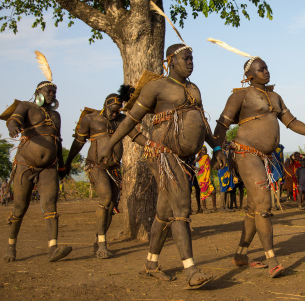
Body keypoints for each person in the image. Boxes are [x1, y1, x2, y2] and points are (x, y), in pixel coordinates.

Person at [99, 41, 225, 288]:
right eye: (186, 58)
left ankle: (150, 264)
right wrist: (108, 144)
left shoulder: (194, 89)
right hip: (162, 153)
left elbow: (203, 123)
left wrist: (217, 146)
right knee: (181, 207)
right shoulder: (156, 87)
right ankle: (191, 271)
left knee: (164, 213)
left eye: (192, 58)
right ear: (170, 62)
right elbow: (130, 120)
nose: (190, 62)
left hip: (186, 159)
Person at [209, 38, 305, 278]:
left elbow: (292, 122)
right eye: (261, 69)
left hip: (266, 157)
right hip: (244, 153)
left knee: (254, 207)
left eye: (267, 67)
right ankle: (272, 260)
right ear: (249, 75)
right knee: (264, 204)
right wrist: (217, 151)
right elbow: (222, 125)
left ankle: (240, 254)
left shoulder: (275, 96)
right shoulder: (240, 96)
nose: (266, 71)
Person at [3, 51, 72, 263]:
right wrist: (13, 126)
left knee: (51, 206)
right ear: (38, 93)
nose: (52, 94)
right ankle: (11, 247)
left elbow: (58, 143)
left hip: (49, 167)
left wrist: (61, 167)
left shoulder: (56, 116)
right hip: (25, 166)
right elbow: (12, 120)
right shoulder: (27, 105)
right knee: (19, 208)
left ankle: (53, 249)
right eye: (48, 91)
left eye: (54, 91)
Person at [64, 89, 147, 258]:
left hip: (115, 169)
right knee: (106, 198)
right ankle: (102, 244)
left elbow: (136, 136)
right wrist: (66, 163)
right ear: (105, 106)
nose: (116, 114)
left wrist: (152, 145)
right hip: (96, 165)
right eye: (113, 111)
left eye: (118, 111)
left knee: (111, 207)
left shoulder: (123, 120)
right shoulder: (90, 119)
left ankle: (98, 239)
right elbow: (78, 143)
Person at [194, 146, 217, 213]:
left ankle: (214, 207)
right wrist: (197, 168)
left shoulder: (208, 156)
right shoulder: (199, 157)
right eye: (203, 150)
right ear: (201, 151)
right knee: (203, 192)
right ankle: (204, 208)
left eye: (205, 150)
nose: (204, 151)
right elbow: (192, 164)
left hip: (209, 177)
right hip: (202, 177)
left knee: (213, 191)